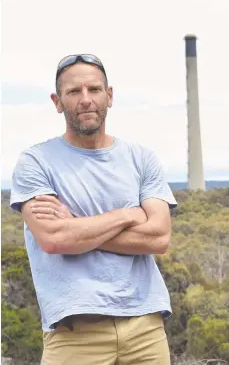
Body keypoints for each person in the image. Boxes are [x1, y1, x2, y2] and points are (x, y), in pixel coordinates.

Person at [10, 54, 177, 365]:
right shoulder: (36, 162)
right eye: (74, 92)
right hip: (74, 331)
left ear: (109, 95)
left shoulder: (141, 158)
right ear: (57, 101)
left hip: (145, 327)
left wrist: (77, 227)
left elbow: (158, 237)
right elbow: (53, 240)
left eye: (94, 89)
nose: (85, 100)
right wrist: (127, 215)